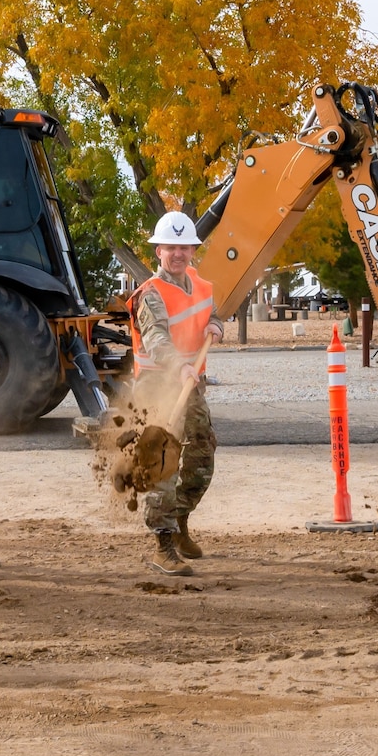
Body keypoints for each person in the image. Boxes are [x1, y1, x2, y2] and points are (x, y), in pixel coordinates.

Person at [131, 211, 223, 576]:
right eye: (171, 248)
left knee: (202, 455)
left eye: (184, 247)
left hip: (191, 383)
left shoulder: (199, 284)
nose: (178, 254)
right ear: (159, 252)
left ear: (192, 250)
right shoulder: (151, 295)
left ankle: (181, 520)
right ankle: (163, 544)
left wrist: (216, 324)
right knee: (162, 464)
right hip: (158, 384)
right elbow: (156, 340)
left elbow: (209, 313)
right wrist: (178, 366)